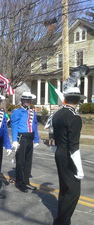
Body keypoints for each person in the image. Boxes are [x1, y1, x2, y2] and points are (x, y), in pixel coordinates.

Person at [52, 87, 85, 225]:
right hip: (68, 155)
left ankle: (62, 220)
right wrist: (79, 168)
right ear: (78, 100)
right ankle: (62, 222)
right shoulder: (74, 118)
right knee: (73, 192)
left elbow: (54, 136)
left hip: (59, 152)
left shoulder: (57, 114)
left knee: (65, 189)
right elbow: (73, 146)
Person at [11, 91, 39, 193]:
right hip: (21, 138)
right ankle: (20, 183)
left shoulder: (32, 112)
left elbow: (35, 126)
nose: (28, 102)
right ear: (22, 100)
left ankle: (26, 182)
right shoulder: (17, 112)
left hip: (30, 138)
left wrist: (36, 139)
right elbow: (14, 126)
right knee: (21, 162)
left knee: (28, 162)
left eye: (29, 100)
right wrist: (14, 140)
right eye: (26, 100)